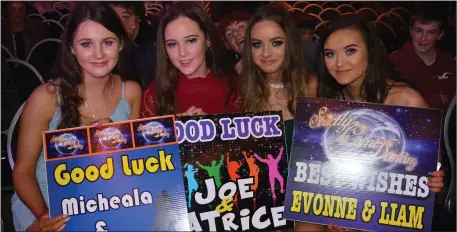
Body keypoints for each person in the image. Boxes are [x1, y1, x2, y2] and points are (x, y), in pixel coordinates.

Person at [295, 14, 445, 231]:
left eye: (350, 51)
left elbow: (429, 186)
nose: (339, 63)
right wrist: (337, 209)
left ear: (370, 52)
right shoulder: (320, 96)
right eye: (330, 54)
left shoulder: (406, 100)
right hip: (335, 201)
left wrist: (434, 181)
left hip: (389, 210)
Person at [11, 2, 141, 231]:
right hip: (45, 204)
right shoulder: (47, 98)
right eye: (86, 44)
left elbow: (134, 166)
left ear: (120, 43)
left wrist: (117, 145)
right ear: (71, 47)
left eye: (108, 42)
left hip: (106, 201)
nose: (98, 54)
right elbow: (22, 171)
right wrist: (43, 215)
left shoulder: (130, 93)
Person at [140, 2, 239, 117]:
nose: (182, 52)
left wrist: (213, 128)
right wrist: (174, 129)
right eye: (172, 44)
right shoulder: (154, 95)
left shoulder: (235, 89)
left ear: (207, 39)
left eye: (191, 40)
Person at [240, 4, 313, 153]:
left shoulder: (313, 87)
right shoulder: (240, 93)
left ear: (290, 44)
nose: (266, 53)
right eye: (257, 44)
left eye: (276, 43)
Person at [389, 3, 456, 113]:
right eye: (419, 30)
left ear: (440, 35)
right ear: (411, 31)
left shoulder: (450, 65)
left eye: (431, 32)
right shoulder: (393, 61)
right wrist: (438, 99)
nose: (423, 38)